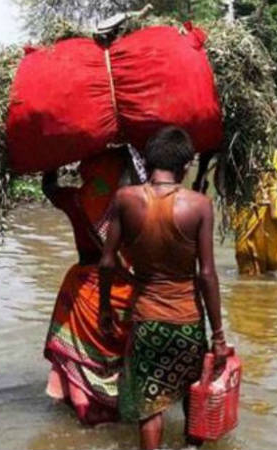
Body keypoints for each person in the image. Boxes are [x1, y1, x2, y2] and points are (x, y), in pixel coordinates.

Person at [98, 127, 229, 450]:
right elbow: (207, 275)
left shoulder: (126, 200)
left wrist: (104, 308)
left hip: (147, 321)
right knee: (193, 397)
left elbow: (106, 261)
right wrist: (219, 336)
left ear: (146, 160)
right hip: (187, 322)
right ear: (185, 166)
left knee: (150, 407)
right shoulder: (199, 205)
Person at [42, 150, 137, 425]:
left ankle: (83, 408)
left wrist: (51, 156)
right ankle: (118, 408)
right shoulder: (135, 205)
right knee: (121, 358)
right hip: (122, 291)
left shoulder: (75, 200)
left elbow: (48, 188)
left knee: (77, 358)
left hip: (83, 289)